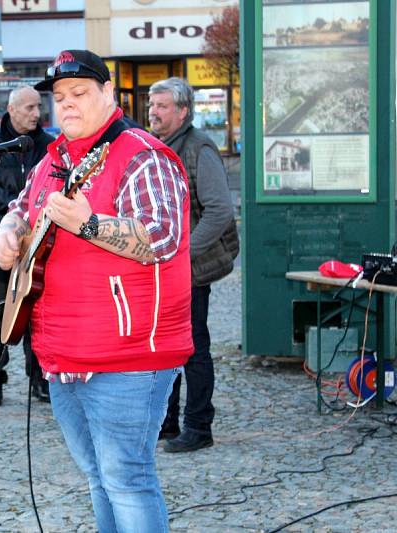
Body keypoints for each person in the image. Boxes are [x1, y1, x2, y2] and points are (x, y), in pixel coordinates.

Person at [0, 50, 193, 531]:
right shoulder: (56, 157)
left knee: (127, 476)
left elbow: (162, 235)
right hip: (63, 353)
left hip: (128, 354)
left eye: (80, 93)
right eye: (59, 97)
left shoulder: (142, 155)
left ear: (108, 94)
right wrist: (9, 228)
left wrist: (89, 224)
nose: (67, 105)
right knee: (99, 477)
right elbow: (23, 205)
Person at [148, 77, 238, 454]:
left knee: (192, 347)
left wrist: (182, 253)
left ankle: (199, 426)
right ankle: (166, 423)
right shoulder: (157, 145)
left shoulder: (199, 146)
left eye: (163, 106)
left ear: (183, 111)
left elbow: (219, 211)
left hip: (190, 267)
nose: (153, 112)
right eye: (152, 105)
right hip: (165, 266)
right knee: (165, 348)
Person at [0, 85, 54, 406]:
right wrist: (17, 207)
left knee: (37, 316)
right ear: (12, 109)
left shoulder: (49, 146)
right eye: (29, 107)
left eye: (38, 107)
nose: (36, 113)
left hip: (39, 246)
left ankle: (39, 377)